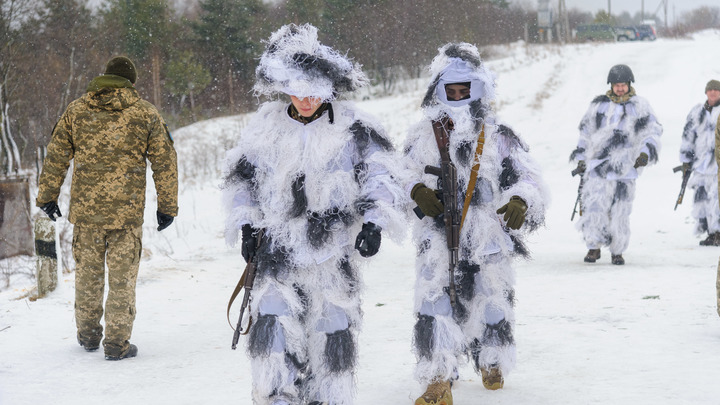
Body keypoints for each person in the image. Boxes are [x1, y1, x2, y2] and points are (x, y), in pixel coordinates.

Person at [222, 24, 405, 405]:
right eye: (297, 92)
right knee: (272, 327)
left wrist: (374, 222)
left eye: (313, 94)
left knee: (332, 330)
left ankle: (328, 397)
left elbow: (381, 175)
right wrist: (245, 224)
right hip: (275, 250)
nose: (305, 101)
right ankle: (277, 396)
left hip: (332, 252)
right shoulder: (265, 128)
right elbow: (242, 182)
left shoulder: (355, 129)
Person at [403, 43, 548, 405]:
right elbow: (396, 176)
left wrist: (520, 199)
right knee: (434, 303)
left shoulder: (499, 136)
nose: (456, 96)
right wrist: (416, 189)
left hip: (486, 235)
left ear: (478, 89)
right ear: (437, 90)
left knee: (491, 301)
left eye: (464, 89)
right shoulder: (422, 136)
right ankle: (438, 378)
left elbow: (530, 178)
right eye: (449, 90)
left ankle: (492, 359)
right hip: (437, 233)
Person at [36, 56, 178, 360]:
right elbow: (165, 161)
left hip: (86, 214)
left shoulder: (77, 110)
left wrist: (47, 196)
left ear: (105, 78)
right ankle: (116, 344)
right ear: (131, 82)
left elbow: (57, 154)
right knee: (122, 280)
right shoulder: (145, 114)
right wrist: (167, 206)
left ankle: (88, 336)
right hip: (126, 215)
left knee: (87, 275)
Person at [570, 64, 662, 265]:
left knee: (620, 211)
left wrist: (645, 154)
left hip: (625, 168)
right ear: (611, 85)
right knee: (594, 206)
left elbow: (652, 132)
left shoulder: (640, 106)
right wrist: (581, 159)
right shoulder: (598, 106)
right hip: (598, 167)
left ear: (629, 84)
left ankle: (617, 250)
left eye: (623, 85)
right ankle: (593, 247)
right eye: (616, 85)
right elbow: (585, 133)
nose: (620, 88)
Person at [680, 80, 720, 245]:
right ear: (706, 92)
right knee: (704, 200)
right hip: (701, 165)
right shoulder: (697, 112)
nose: (713, 92)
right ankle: (711, 232)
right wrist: (686, 160)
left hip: (718, 165)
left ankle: (718, 231)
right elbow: (688, 136)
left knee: (717, 198)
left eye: (716, 90)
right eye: (710, 90)